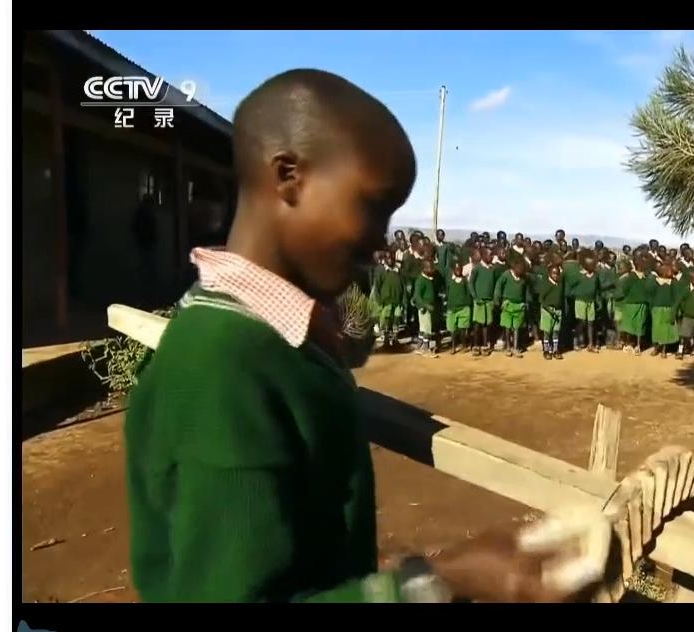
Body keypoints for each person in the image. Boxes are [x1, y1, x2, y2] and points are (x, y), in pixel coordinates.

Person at [125, 69, 598, 604]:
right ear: (289, 178)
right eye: (373, 206)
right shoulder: (223, 367)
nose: (380, 238)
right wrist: (440, 584)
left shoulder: (273, 339)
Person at [494, 259, 529, 358]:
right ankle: (508, 347)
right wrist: (498, 299)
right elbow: (498, 286)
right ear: (514, 268)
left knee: (517, 327)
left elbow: (526, 290)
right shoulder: (506, 275)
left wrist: (525, 303)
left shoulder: (524, 278)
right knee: (507, 327)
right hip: (507, 304)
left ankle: (515, 347)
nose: (521, 272)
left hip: (519, 305)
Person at [569, 254, 601, 353]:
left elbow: (597, 289)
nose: (593, 266)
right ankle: (576, 342)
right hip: (580, 301)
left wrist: (598, 301)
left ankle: (590, 344)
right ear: (585, 265)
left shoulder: (595, 275)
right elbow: (571, 287)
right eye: (591, 264)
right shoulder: (579, 275)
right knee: (580, 323)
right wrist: (575, 295)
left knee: (591, 323)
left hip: (591, 302)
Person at [617, 258, 649, 355]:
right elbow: (624, 290)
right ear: (637, 265)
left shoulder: (642, 276)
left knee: (637, 325)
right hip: (632, 303)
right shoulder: (633, 276)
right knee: (631, 325)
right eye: (642, 264)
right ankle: (630, 344)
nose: (644, 266)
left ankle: (636, 346)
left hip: (639, 303)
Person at [648, 263, 680, 358]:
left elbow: (676, 297)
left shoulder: (673, 282)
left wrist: (674, 309)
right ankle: (656, 347)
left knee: (666, 329)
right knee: (656, 329)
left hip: (668, 308)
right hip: (657, 308)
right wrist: (652, 306)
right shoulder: (655, 282)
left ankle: (664, 350)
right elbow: (651, 294)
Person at [374, 252, 406, 349]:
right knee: (387, 321)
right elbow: (377, 287)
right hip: (386, 301)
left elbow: (404, 286)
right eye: (388, 258)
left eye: (392, 258)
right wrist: (379, 300)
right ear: (384, 259)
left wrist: (404, 299)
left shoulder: (399, 271)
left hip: (397, 301)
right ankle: (386, 341)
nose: (390, 260)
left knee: (396, 320)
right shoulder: (382, 271)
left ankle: (395, 340)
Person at [469, 247, 497, 356]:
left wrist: (494, 299)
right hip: (479, 301)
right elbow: (471, 283)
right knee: (477, 324)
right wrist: (475, 297)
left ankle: (485, 345)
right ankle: (476, 345)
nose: (491, 257)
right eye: (489, 255)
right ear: (483, 255)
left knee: (487, 324)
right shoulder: (477, 268)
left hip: (489, 301)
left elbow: (494, 285)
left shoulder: (492, 269)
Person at [536, 262, 565, 360]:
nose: (555, 275)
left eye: (557, 273)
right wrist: (548, 309)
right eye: (553, 273)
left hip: (557, 310)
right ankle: (546, 350)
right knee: (547, 332)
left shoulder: (560, 285)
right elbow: (541, 299)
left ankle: (555, 350)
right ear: (549, 274)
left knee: (556, 331)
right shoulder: (546, 284)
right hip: (547, 310)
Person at [445, 261, 472, 355]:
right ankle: (453, 346)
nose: (458, 270)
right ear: (453, 270)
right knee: (452, 330)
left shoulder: (465, 281)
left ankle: (464, 345)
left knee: (462, 329)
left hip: (463, 308)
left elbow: (468, 293)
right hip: (452, 308)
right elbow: (447, 292)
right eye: (456, 269)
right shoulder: (450, 281)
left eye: (460, 269)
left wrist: (467, 304)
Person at [413, 260, 438, 357]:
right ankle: (426, 349)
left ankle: (419, 347)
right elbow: (418, 296)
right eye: (430, 268)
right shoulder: (420, 281)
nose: (432, 270)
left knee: (423, 328)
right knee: (427, 329)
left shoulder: (429, 279)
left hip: (427, 307)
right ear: (424, 269)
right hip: (425, 308)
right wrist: (426, 306)